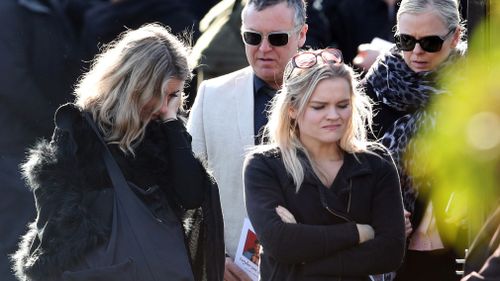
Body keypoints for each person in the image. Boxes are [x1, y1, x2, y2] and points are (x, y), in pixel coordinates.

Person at [11, 23, 224, 281]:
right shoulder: (82, 129)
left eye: (174, 95)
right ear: (136, 85)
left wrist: (171, 121)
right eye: (161, 94)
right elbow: (58, 220)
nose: (164, 105)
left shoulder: (163, 129)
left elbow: (191, 195)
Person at [243, 48, 406, 281]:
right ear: (292, 109)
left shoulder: (376, 163)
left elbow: (390, 251)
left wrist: (303, 260)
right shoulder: (264, 165)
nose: (333, 115)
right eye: (319, 106)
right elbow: (280, 243)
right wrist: (359, 232)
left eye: (342, 105)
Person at [187, 0, 308, 280]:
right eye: (252, 37)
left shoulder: (330, 97)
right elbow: (186, 195)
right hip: (231, 269)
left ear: (301, 35)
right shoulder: (211, 96)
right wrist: (211, 257)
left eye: (277, 38)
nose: (263, 49)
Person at [362, 0, 468, 280]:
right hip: (389, 254)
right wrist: (380, 213)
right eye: (405, 41)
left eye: (430, 43)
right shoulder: (373, 89)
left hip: (459, 250)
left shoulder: (476, 93)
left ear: (455, 36)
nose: (417, 52)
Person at [0, 1, 83, 280]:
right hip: (14, 150)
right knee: (16, 244)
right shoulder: (9, 11)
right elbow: (11, 79)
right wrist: (55, 122)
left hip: (44, 149)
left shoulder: (53, 10)